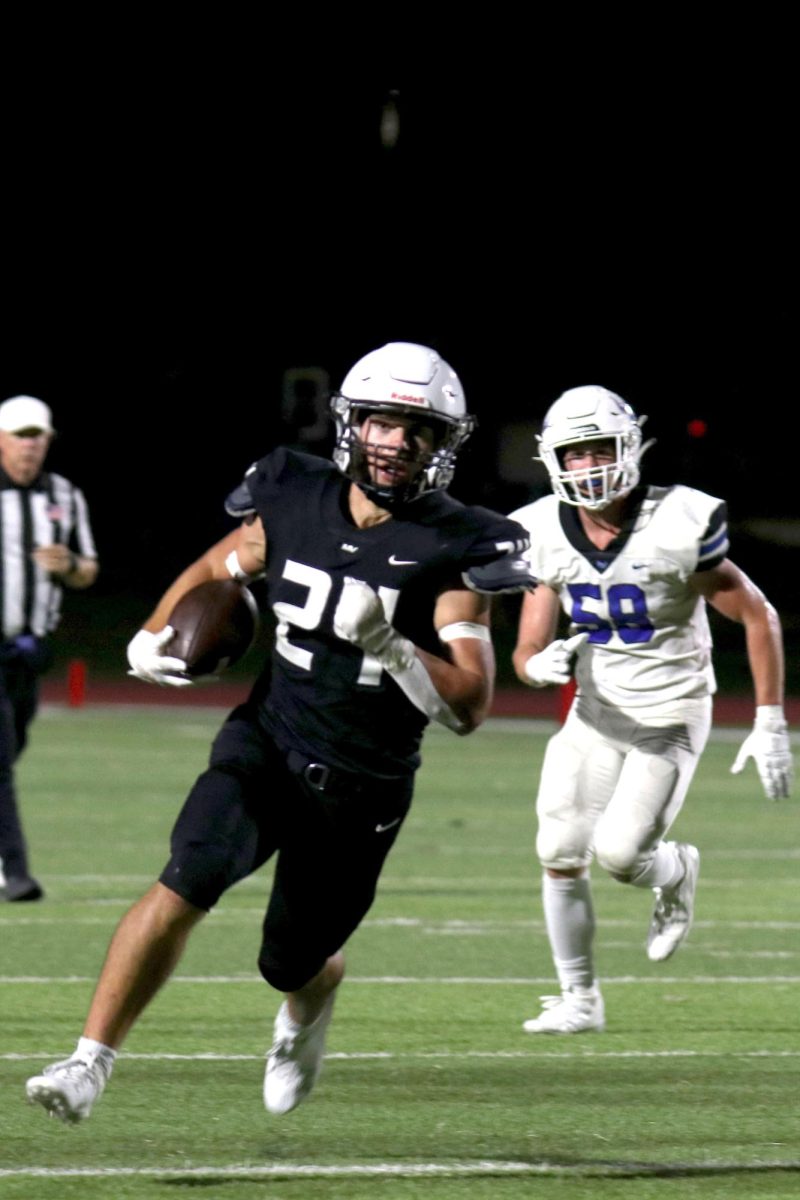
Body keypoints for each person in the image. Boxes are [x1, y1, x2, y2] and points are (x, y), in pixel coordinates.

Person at [25, 341, 529, 1124]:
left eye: (416, 428)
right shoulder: (294, 489)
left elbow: (468, 704)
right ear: (350, 425)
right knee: (189, 871)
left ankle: (306, 1010)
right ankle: (88, 1062)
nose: (395, 442)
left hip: (362, 783)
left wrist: (392, 645)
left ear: (442, 444)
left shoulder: (459, 543)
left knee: (290, 961)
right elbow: (225, 564)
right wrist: (152, 635)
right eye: (381, 422)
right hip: (267, 739)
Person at [506, 384, 793, 1034]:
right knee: (558, 843)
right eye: (574, 454)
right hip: (595, 714)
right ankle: (579, 997)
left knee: (620, 853)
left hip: (670, 711)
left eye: (599, 449)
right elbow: (527, 644)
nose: (588, 466)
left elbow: (757, 613)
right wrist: (534, 665)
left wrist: (770, 719)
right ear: (554, 461)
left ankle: (678, 869)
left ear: (629, 448)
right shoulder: (541, 531)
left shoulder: (676, 522)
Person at [0, 395, 99, 903]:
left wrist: (67, 566)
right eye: (20, 434)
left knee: (12, 746)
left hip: (29, 650)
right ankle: (14, 872)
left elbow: (88, 570)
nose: (29, 445)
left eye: (37, 436)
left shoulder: (64, 495)